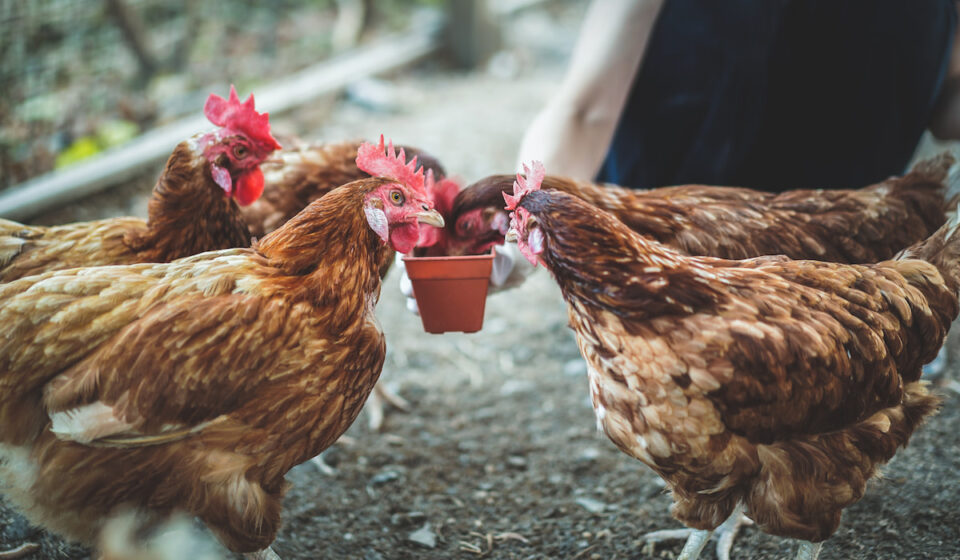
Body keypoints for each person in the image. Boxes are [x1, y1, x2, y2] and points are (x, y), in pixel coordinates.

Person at [401, 0, 960, 311]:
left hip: (806, 261)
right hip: (695, 253)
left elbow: (947, 110)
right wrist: (527, 227)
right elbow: (584, 108)